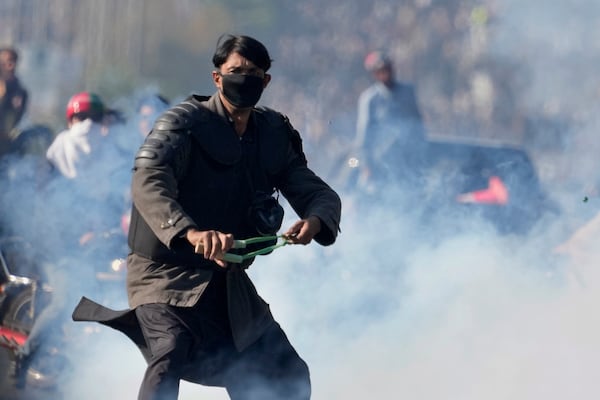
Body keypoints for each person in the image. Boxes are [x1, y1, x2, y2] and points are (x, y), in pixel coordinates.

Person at [72, 34, 342, 400]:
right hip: (164, 275)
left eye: (253, 72)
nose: (244, 78)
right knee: (170, 351)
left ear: (266, 82)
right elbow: (148, 182)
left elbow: (317, 192)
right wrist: (192, 233)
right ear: (217, 78)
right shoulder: (183, 124)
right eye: (235, 70)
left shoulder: (272, 134)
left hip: (226, 280)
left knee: (287, 371)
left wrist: (315, 220)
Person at [351, 50, 428, 191]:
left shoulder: (408, 91)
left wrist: (420, 153)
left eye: (388, 68)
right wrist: (367, 165)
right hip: (381, 163)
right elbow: (364, 136)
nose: (386, 73)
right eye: (381, 70)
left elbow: (418, 123)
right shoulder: (370, 99)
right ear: (375, 74)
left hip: (407, 160)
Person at [0, 46, 29, 157]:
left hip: (7, 143)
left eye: (12, 61)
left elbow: (18, 119)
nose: (9, 66)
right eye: (5, 62)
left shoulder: (20, 92)